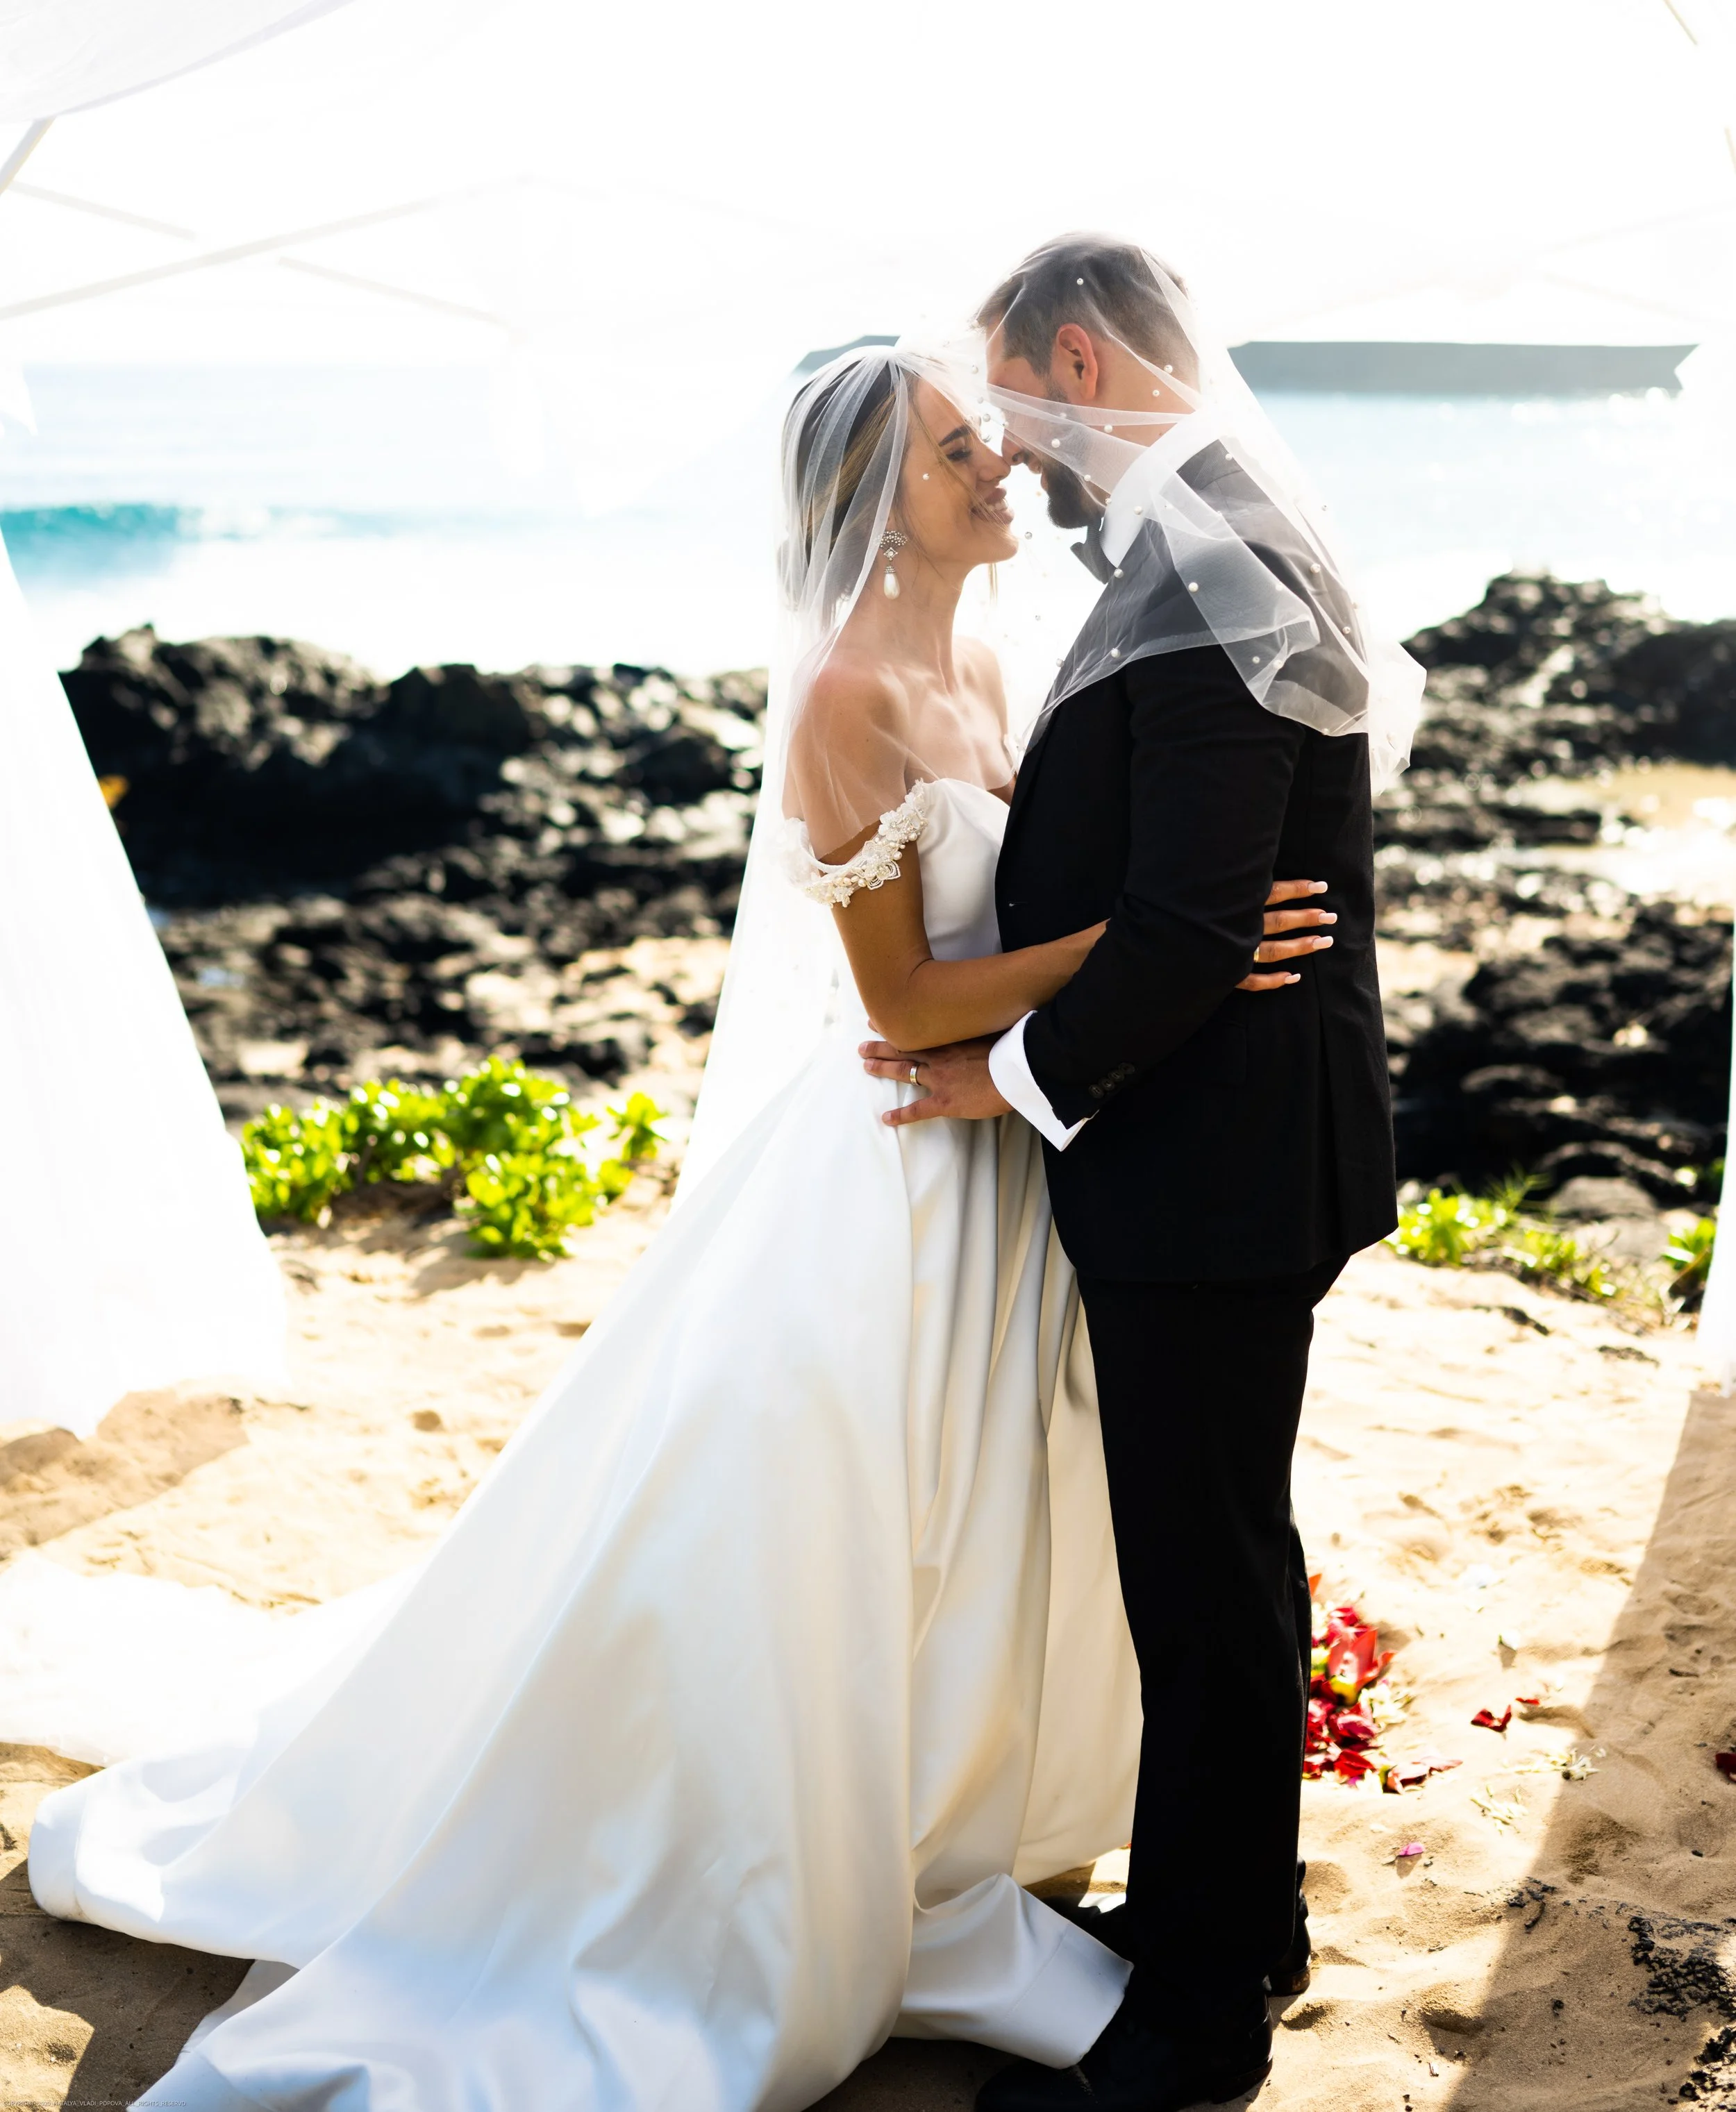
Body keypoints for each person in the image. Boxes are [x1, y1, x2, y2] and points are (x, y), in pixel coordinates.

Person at [22, 341, 1328, 2112]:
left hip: (1009, 1163)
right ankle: (795, 1863)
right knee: (834, 1521)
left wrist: (1141, 948)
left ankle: (934, 1822)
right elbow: (907, 999)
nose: (1001, 466)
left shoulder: (1000, 660)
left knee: (974, 1523)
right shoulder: (840, 701)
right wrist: (1167, 943)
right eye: (960, 450)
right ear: (879, 494)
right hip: (891, 1170)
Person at [860, 236, 1424, 2112]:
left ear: (1078, 362)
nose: (1015, 458)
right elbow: (1196, 902)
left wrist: (992, 1078)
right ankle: (1233, 1916)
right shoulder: (1216, 523)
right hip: (1231, 1144)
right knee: (1221, 1556)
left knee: (1197, 1574)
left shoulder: (1210, 549)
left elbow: (1191, 932)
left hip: (1213, 1159)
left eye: (1018, 408)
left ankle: (1195, 2016)